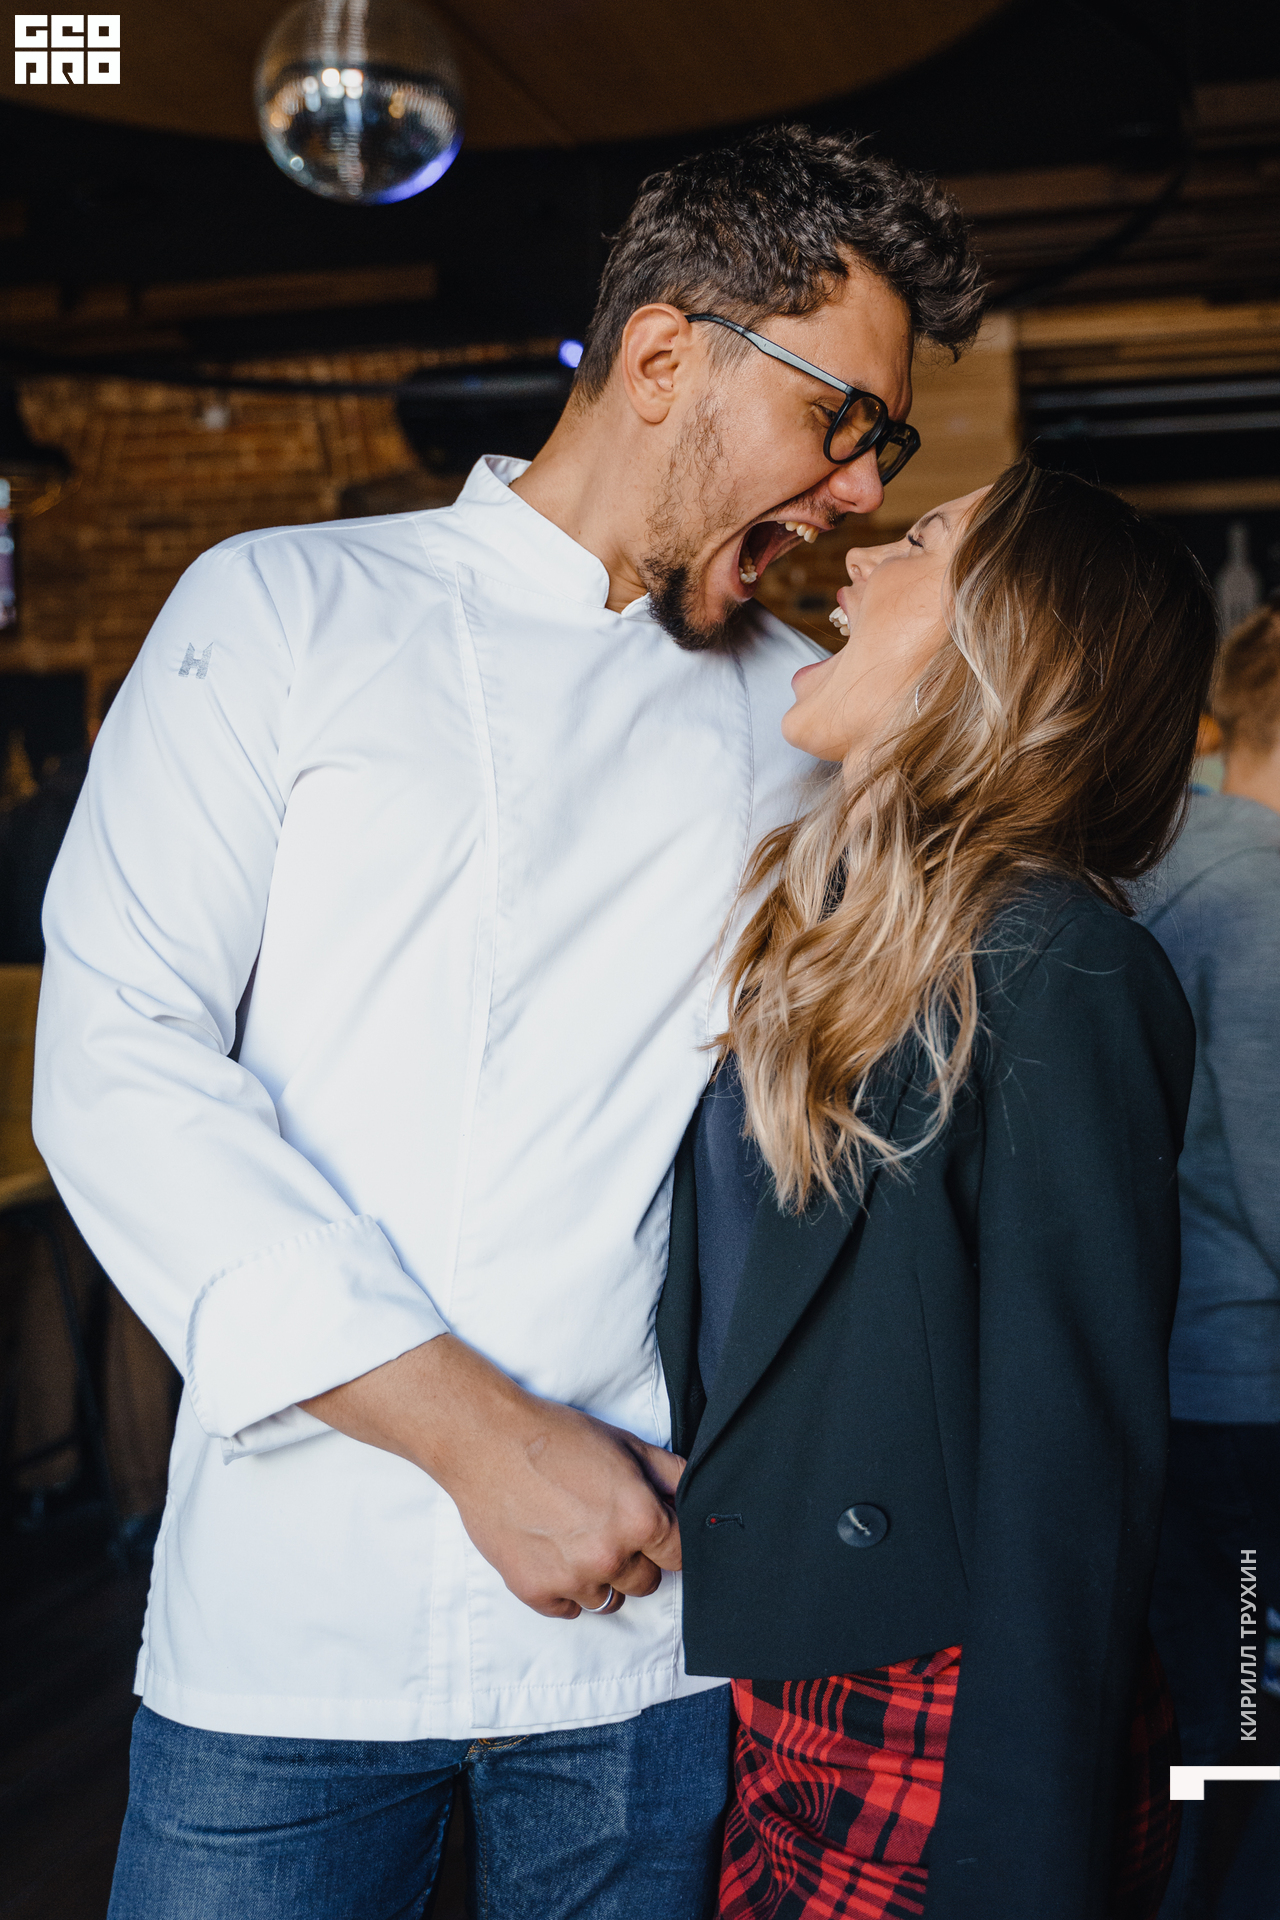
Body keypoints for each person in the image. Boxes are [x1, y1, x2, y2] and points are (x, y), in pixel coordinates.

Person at [31, 127, 983, 1919]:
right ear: (665, 356)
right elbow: (117, 1060)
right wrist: (477, 1435)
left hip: (649, 1637)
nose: (858, 490)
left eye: (888, 447)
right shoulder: (283, 607)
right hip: (295, 1626)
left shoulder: (812, 718)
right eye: (842, 420)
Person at [657, 460, 1219, 1919]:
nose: (854, 560)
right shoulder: (837, 927)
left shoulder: (1060, 960)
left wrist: (1016, 1863)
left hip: (952, 1710)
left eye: (920, 540)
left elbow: (1071, 1467)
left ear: (1012, 640)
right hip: (783, 1675)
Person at [1138, 597, 1280, 1920]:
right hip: (1246, 1399)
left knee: (1207, 1712)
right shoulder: (1263, 888)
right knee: (1247, 1726)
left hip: (1166, 1382)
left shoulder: (1158, 843)